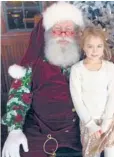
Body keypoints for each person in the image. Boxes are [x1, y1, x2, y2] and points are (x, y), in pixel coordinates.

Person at [1, 2, 85, 157]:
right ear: (48, 33)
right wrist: (15, 130)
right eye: (57, 30)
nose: (63, 35)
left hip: (78, 130)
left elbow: (108, 88)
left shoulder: (87, 60)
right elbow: (17, 97)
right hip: (41, 131)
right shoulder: (33, 63)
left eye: (68, 30)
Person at [70, 27, 114, 157]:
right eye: (90, 46)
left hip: (110, 119)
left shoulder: (109, 67)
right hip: (89, 122)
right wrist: (90, 125)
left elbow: (112, 95)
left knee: (112, 154)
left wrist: (106, 122)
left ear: (103, 47)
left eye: (99, 46)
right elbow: (77, 99)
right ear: (83, 47)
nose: (95, 51)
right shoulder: (77, 70)